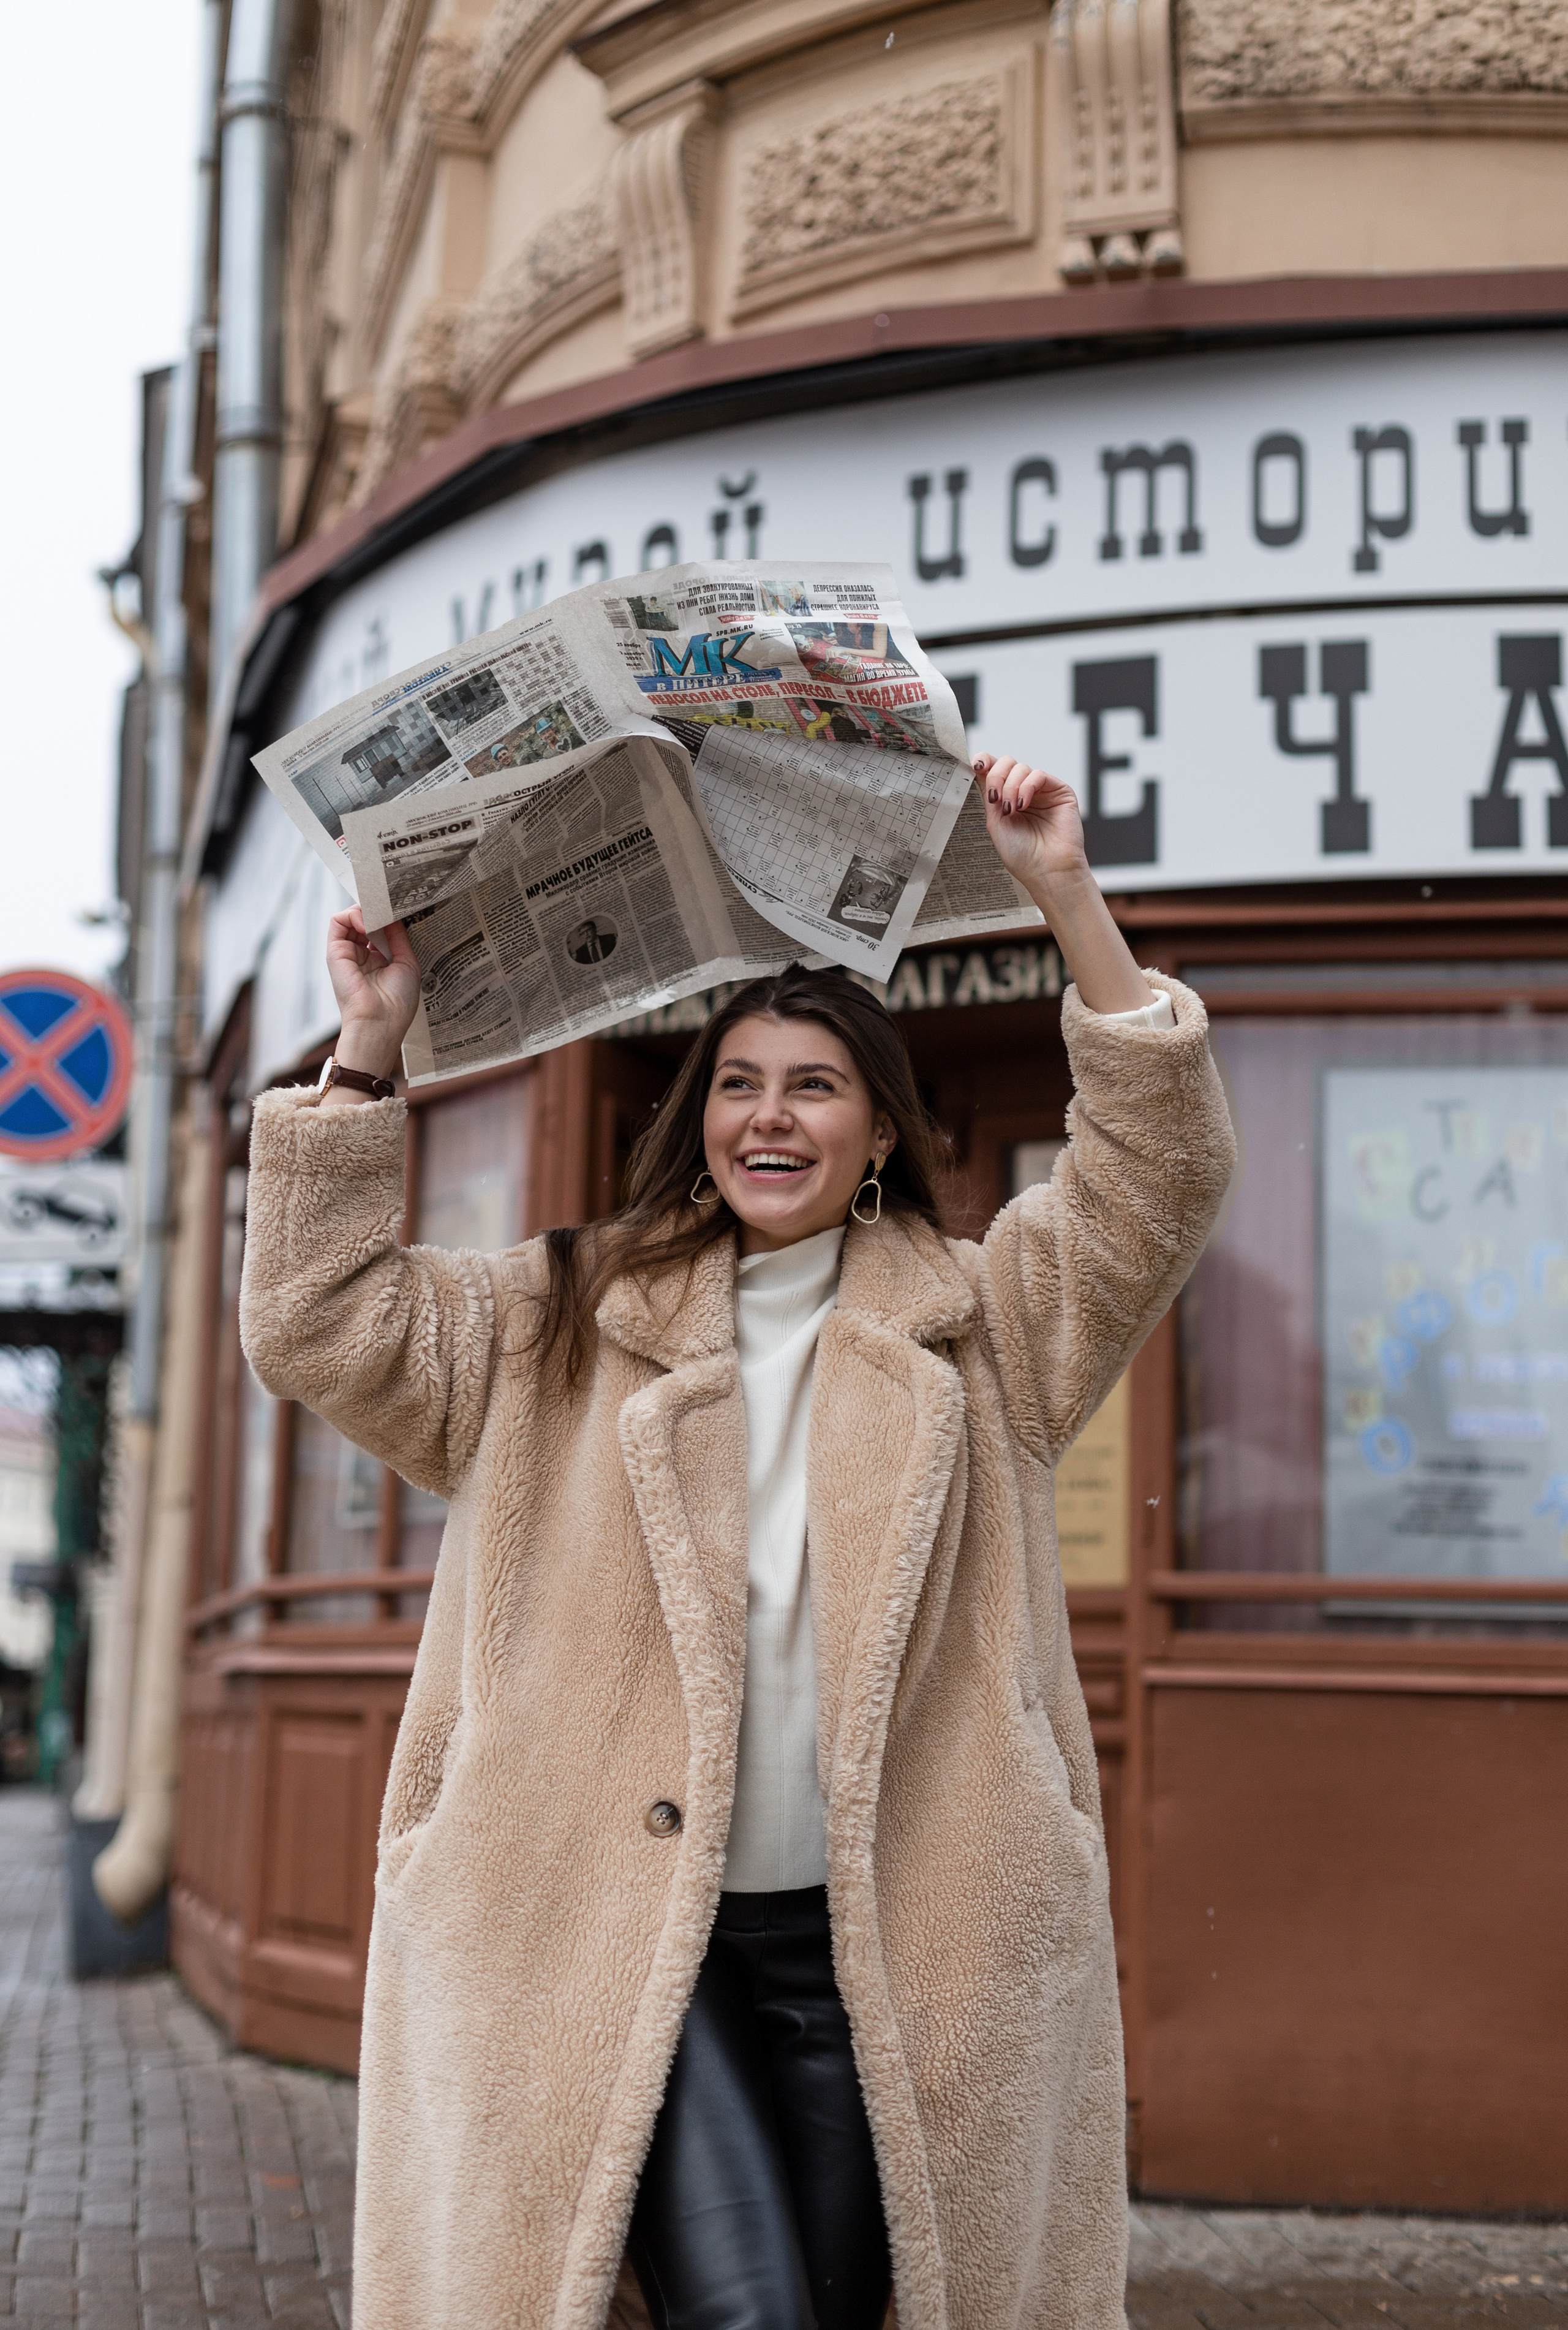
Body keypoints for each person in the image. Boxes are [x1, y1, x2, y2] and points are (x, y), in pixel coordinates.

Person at [239, 753, 1235, 2330]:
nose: (767, 1116)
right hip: (621, 1938)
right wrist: (367, 1050)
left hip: (890, 1952)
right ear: (701, 1116)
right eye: (736, 1083)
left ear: (880, 1133)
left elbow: (1154, 1179)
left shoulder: (985, 1326)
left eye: (813, 1085)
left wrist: (1061, 892)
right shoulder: (555, 1317)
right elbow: (317, 1318)